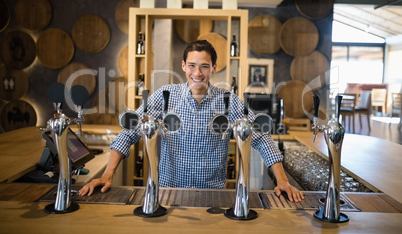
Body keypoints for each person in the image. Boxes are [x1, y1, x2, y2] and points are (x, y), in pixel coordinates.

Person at [79, 40, 304, 202]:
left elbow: (261, 138)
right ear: (183, 66)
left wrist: (281, 179)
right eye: (193, 65)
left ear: (213, 68)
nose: (198, 73)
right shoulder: (165, 96)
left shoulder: (228, 101)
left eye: (204, 66)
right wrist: (107, 175)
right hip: (167, 192)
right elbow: (129, 132)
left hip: (212, 195)